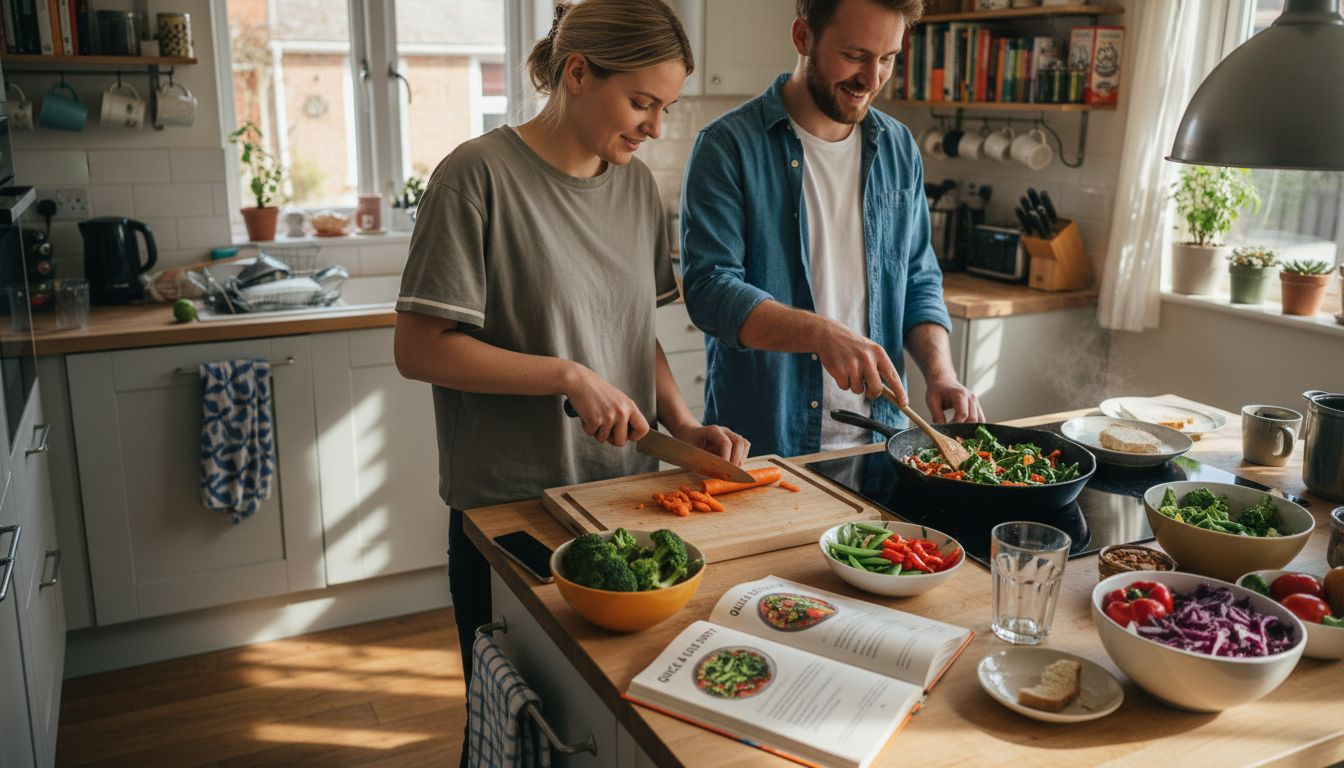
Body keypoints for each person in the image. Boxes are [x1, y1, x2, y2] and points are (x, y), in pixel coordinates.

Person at [393, 0, 748, 762]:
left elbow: (634, 330)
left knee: (610, 731)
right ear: (578, 73)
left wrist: (684, 425)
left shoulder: (636, 187)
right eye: (643, 102)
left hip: (622, 504)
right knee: (516, 733)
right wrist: (565, 374)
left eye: (666, 107)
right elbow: (419, 349)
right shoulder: (475, 177)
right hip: (511, 517)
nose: (655, 127)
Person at [680, 0, 984, 457]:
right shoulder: (727, 147)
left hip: (882, 446)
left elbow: (919, 280)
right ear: (803, 37)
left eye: (887, 58)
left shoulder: (899, 147)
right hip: (765, 446)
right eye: (855, 56)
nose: (872, 78)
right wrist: (822, 334)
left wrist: (942, 375)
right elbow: (710, 290)